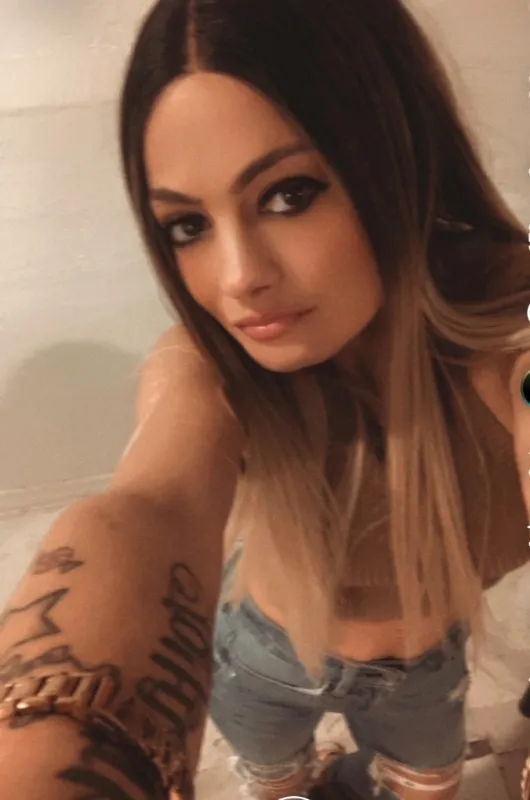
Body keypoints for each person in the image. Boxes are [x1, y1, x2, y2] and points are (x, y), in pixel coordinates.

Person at [0, 0, 529, 798]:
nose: (239, 277)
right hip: (263, 658)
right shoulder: (205, 366)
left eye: (288, 195)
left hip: (425, 677)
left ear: (397, 155)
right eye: (187, 227)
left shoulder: (506, 320)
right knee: (272, 784)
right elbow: (152, 504)